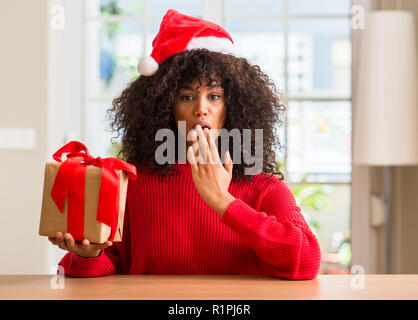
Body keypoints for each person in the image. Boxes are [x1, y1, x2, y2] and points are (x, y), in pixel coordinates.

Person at [48, 9, 321, 280]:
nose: (201, 109)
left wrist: (222, 200)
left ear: (233, 106)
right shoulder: (132, 184)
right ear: (166, 106)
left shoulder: (263, 187)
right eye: (187, 97)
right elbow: (102, 266)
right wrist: (87, 255)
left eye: (214, 96)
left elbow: (306, 261)